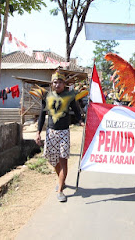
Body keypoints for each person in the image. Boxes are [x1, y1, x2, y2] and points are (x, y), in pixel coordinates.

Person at [35, 71, 84, 202]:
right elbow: (41, 116)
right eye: (55, 82)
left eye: (60, 82)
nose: (58, 84)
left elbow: (77, 111)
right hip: (51, 133)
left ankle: (60, 190)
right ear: (52, 84)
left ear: (64, 84)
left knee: (63, 160)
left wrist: (81, 121)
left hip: (64, 133)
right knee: (53, 160)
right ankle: (62, 181)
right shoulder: (46, 97)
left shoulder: (69, 97)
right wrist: (38, 132)